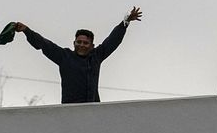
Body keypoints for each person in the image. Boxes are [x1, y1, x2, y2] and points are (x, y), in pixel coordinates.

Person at [11, 8, 142, 104]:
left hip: (93, 109)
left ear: (91, 45)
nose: (82, 45)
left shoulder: (96, 56)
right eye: (79, 42)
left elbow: (112, 41)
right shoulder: (64, 56)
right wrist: (27, 31)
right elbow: (44, 44)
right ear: (74, 43)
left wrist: (125, 22)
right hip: (70, 110)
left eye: (86, 43)